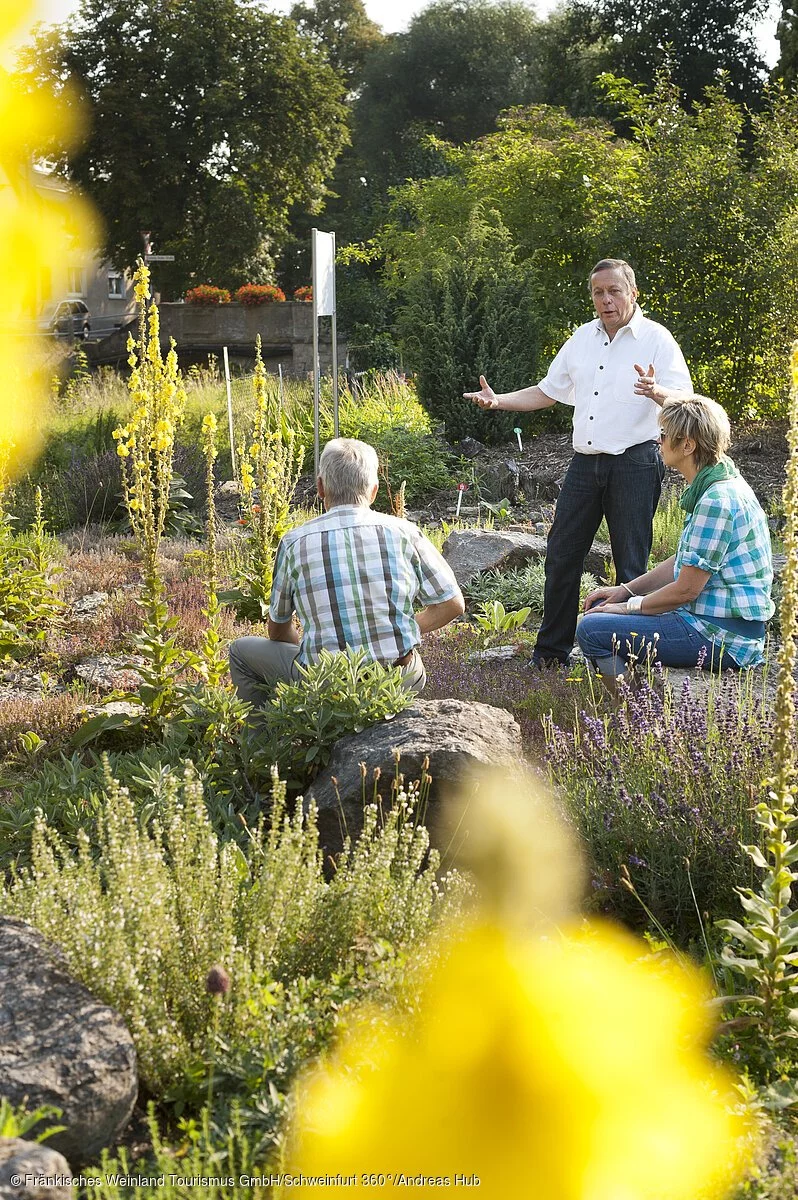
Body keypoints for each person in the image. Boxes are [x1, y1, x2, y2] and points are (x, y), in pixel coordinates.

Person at [464, 258, 692, 668]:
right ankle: (551, 655)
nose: (606, 300)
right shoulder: (582, 338)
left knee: (631, 563)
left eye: (614, 291)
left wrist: (656, 391)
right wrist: (499, 401)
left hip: (635, 462)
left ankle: (631, 656)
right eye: (598, 292)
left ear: (633, 293)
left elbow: (687, 402)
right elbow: (547, 391)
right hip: (585, 465)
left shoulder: (657, 339)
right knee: (562, 555)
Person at [228, 437, 465, 705]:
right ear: (373, 491)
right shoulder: (405, 532)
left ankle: (270, 741)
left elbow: (278, 632)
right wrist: (398, 631)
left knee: (239, 652)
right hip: (398, 678)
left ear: (320, 487)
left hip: (327, 684)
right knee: (412, 665)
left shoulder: (295, 542)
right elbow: (453, 604)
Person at [576, 394, 773, 680]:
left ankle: (638, 716)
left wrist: (625, 608)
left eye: (665, 434)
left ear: (688, 445)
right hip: (710, 623)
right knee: (599, 611)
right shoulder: (719, 483)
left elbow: (685, 591)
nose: (659, 440)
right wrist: (626, 590)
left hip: (720, 636)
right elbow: (686, 560)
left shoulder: (716, 500)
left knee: (591, 629)